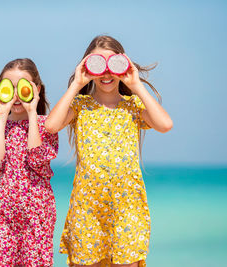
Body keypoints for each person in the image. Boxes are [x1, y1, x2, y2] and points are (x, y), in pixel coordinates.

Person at [45, 35, 173, 267]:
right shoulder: (80, 106)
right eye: (97, 65)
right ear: (86, 67)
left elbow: (165, 124)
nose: (105, 73)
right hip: (88, 209)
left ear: (123, 65)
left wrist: (136, 85)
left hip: (128, 208)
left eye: (112, 64)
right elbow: (51, 126)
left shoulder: (132, 106)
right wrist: (77, 84)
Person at [0, 58, 59, 266]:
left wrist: (33, 112)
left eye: (22, 88)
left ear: (36, 89)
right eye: (9, 88)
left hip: (37, 214)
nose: (16, 95)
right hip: (3, 215)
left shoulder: (46, 125)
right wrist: (0, 116)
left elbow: (36, 159)